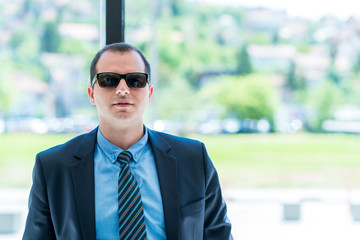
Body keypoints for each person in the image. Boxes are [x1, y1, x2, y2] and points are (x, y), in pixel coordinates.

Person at [23, 42, 233, 239]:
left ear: (149, 93)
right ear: (91, 94)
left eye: (135, 81)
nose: (122, 89)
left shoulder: (193, 158)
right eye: (108, 80)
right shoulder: (52, 167)